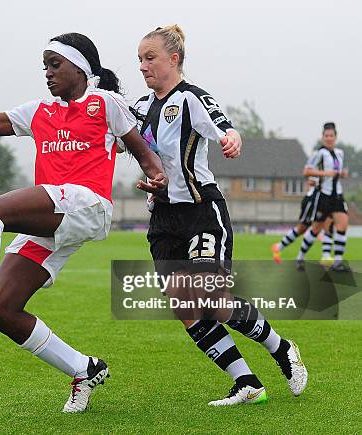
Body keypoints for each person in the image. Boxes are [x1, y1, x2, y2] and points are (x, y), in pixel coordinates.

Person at [0, 33, 167, 412]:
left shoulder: (104, 102)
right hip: (56, 214)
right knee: (0, 308)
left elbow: (144, 153)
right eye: (45, 67)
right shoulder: (38, 111)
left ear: (81, 68)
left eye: (56, 65)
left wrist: (157, 178)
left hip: (88, 204)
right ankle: (84, 369)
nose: (48, 74)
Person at [131, 25, 307, 406]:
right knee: (186, 306)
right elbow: (121, 137)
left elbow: (225, 126)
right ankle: (246, 383)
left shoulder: (192, 98)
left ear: (173, 59)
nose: (143, 66)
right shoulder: (142, 109)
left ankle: (281, 348)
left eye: (150, 58)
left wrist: (231, 138)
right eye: (139, 60)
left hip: (201, 212)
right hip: (162, 220)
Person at [300, 122, 350, 272]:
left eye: (331, 136)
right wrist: (324, 174)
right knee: (316, 229)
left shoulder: (340, 153)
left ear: (335, 137)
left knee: (342, 226)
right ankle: (300, 257)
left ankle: (337, 262)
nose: (329, 138)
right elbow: (306, 171)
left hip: (337, 195)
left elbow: (336, 173)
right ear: (323, 137)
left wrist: (342, 174)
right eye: (326, 136)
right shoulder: (319, 153)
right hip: (324, 195)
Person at [271, 177, 334, 269]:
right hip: (312, 200)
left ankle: (324, 257)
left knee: (326, 227)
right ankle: (279, 247)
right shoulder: (319, 165)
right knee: (302, 228)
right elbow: (310, 179)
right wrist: (319, 181)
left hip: (326, 200)